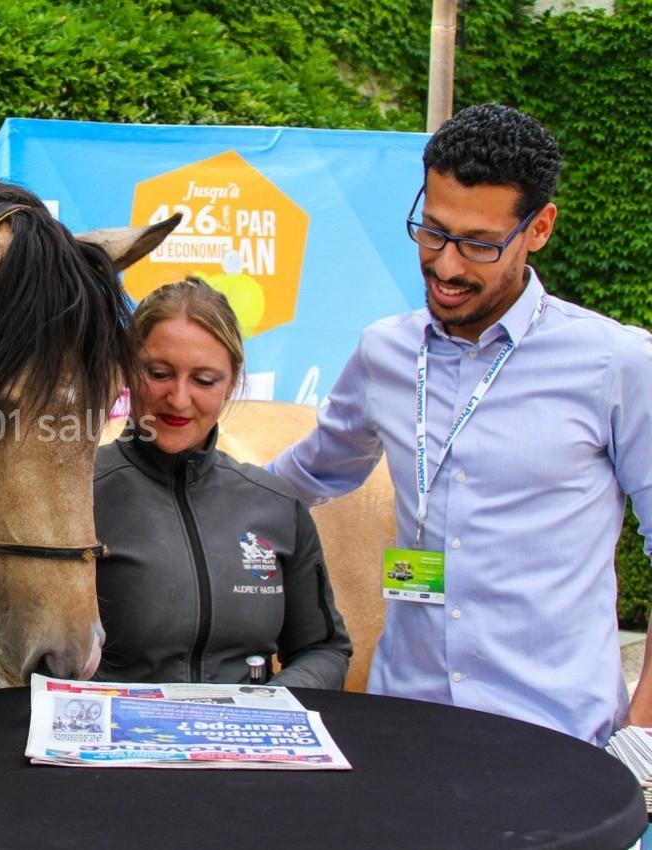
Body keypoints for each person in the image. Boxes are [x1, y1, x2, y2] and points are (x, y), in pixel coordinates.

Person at [268, 103, 652, 746]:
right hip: (408, 727)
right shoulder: (382, 353)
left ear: (540, 228)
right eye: (433, 232)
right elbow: (303, 476)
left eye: (478, 244)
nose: (446, 266)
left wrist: (644, 727)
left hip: (558, 738)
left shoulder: (617, 362)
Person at [0, 278, 352, 690]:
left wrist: (268, 709)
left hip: (242, 752)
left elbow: (323, 650)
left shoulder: (276, 505)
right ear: (128, 368)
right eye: (159, 373)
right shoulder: (71, 496)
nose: (179, 399)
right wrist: (80, 722)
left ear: (233, 382)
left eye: (204, 380)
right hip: (109, 749)